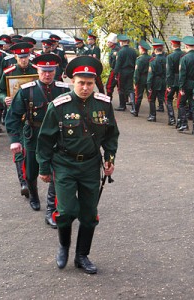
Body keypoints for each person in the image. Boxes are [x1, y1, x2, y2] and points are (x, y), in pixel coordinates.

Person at [36, 56, 119, 274]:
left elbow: (111, 135)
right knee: (66, 211)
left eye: (89, 83)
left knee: (89, 214)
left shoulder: (103, 104)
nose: (85, 87)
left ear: (94, 84)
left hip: (91, 166)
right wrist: (44, 168)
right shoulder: (59, 106)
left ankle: (82, 255)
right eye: (81, 82)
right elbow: (45, 139)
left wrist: (110, 158)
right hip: (64, 164)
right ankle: (64, 246)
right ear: (73, 81)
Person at [6, 54, 70, 227]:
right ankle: (33, 195)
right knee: (32, 172)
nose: (47, 75)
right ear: (38, 70)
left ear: (55, 70)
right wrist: (15, 139)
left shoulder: (64, 90)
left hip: (58, 137)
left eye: (50, 71)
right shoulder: (27, 90)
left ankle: (52, 210)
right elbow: (13, 116)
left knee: (57, 173)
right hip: (34, 136)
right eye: (43, 71)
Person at [0, 42, 38, 200]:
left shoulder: (36, 70)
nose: (23, 60)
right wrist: (4, 98)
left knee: (32, 150)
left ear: (29, 56)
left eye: (26, 57)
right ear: (15, 57)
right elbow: (0, 90)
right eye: (21, 57)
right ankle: (24, 182)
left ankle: (32, 179)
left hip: (33, 116)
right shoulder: (9, 72)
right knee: (19, 148)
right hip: (15, 116)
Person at [178, 36, 194, 133]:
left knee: (181, 104)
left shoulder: (184, 58)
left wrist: (181, 86)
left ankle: (184, 124)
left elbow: (182, 74)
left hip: (186, 84)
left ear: (186, 46)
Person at [114, 34, 137, 111]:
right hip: (131, 71)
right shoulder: (133, 51)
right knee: (130, 88)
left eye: (120, 41)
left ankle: (122, 105)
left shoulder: (120, 52)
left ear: (123, 42)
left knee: (121, 88)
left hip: (122, 71)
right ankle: (134, 106)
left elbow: (118, 64)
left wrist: (115, 73)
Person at [146, 38, 166, 122]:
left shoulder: (153, 61)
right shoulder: (166, 59)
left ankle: (152, 115)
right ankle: (172, 118)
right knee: (165, 99)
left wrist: (149, 85)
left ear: (155, 50)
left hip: (155, 81)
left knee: (152, 99)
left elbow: (151, 74)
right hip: (164, 81)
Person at [165, 36, 183, 127]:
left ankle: (172, 118)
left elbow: (169, 72)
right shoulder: (184, 55)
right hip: (182, 80)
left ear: (172, 45)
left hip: (173, 80)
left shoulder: (170, 56)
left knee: (168, 99)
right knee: (181, 101)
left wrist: (169, 84)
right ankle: (180, 120)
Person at [132, 40, 151, 117]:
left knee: (138, 96)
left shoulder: (140, 59)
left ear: (142, 49)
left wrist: (135, 82)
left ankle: (136, 111)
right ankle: (152, 113)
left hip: (141, 79)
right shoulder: (151, 58)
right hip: (149, 78)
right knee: (150, 96)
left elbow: (137, 72)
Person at [105, 33, 120, 99]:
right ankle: (124, 101)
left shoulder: (116, 50)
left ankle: (109, 98)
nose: (107, 43)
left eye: (108, 42)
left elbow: (116, 61)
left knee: (109, 85)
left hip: (115, 70)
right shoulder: (114, 49)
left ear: (112, 43)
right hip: (116, 69)